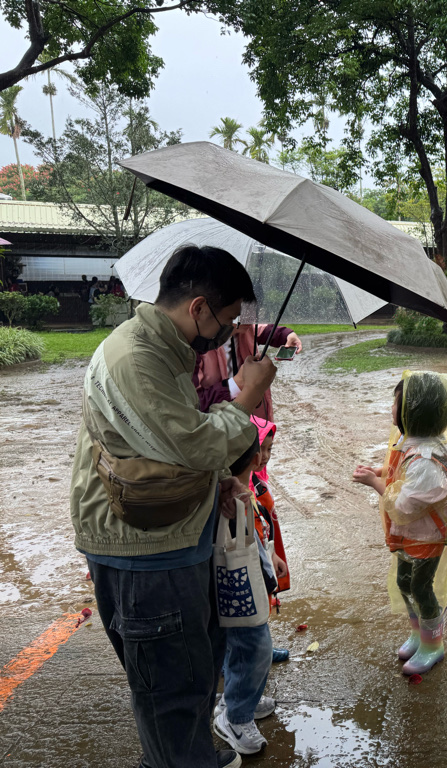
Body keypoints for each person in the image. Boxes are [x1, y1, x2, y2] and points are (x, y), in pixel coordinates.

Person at [70, 244, 277, 768]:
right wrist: (247, 399)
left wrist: (218, 483)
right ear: (198, 307)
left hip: (169, 534)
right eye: (228, 320)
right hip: (146, 553)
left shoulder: (164, 350)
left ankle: (191, 755)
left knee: (190, 670)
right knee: (170, 689)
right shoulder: (138, 359)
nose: (229, 332)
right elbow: (198, 444)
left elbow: (163, 446)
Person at [351, 371, 447, 676]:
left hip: (428, 535)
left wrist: (374, 483)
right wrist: (379, 470)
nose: (392, 408)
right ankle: (419, 633)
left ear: (412, 413)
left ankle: (433, 643)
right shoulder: (413, 444)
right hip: (411, 534)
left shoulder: (427, 462)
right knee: (404, 582)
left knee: (420, 587)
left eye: (397, 404)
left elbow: (405, 505)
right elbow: (400, 468)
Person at [213, 429, 287, 756]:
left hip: (245, 584)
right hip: (240, 588)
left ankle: (239, 699)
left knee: (243, 647)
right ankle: (236, 716)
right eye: (264, 449)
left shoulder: (243, 492)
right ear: (255, 458)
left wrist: (270, 556)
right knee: (254, 648)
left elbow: (257, 535)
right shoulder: (234, 498)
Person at [249, 416, 293, 663]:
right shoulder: (239, 487)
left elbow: (264, 526)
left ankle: (261, 648)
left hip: (263, 553)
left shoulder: (257, 481)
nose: (264, 455)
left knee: (261, 601)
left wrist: (273, 553)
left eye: (269, 449)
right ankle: (250, 654)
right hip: (247, 558)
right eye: (260, 448)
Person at [195, 323, 303, 421]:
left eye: (252, 310)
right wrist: (237, 383)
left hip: (253, 419)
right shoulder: (194, 346)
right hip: (217, 424)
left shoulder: (245, 329)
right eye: (240, 311)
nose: (250, 317)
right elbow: (195, 404)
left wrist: (286, 334)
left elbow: (263, 330)